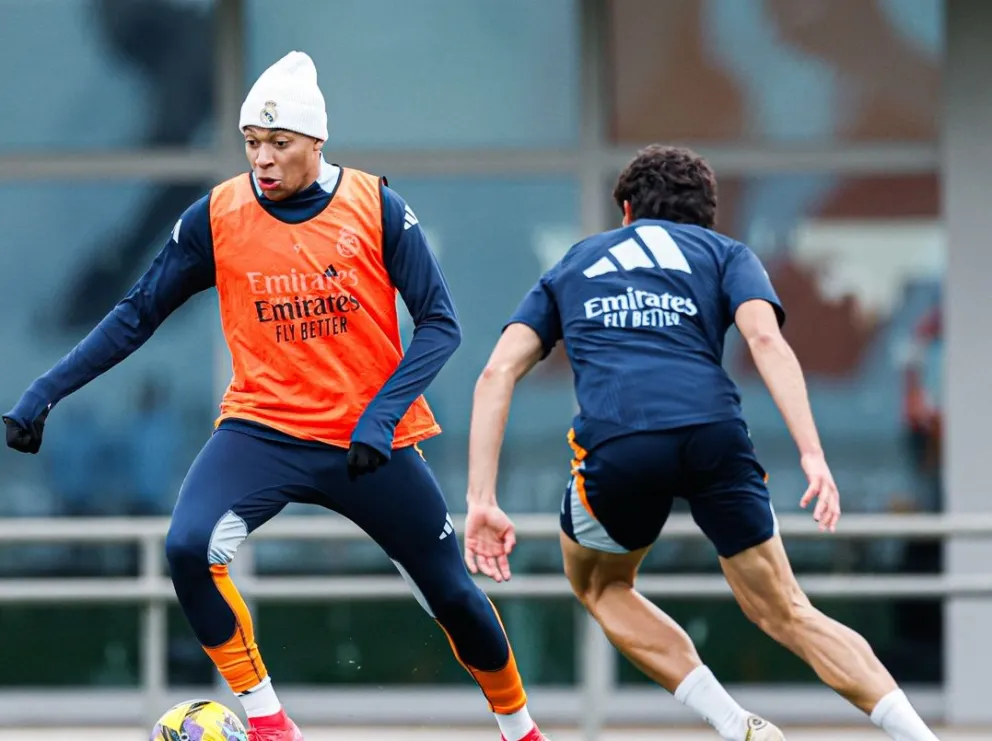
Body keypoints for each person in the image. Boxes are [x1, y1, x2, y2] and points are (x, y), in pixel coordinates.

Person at [4, 51, 547, 741]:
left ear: (317, 142)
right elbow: (138, 312)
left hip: (367, 445)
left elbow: (442, 325)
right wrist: (44, 392)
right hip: (261, 430)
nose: (262, 158)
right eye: (252, 143)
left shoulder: (376, 205)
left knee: (455, 597)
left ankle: (522, 729)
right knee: (187, 547)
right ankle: (268, 721)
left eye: (279, 143)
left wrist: (381, 416)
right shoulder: (218, 215)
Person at [461, 144, 942, 741]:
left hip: (621, 444)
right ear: (705, 218)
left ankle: (733, 722)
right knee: (787, 609)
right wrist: (812, 454)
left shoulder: (573, 264)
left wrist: (481, 498)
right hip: (714, 437)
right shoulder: (727, 254)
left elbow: (496, 373)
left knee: (602, 585)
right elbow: (766, 343)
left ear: (628, 211)